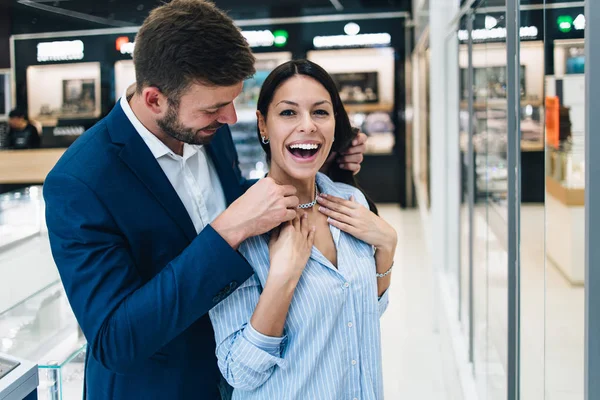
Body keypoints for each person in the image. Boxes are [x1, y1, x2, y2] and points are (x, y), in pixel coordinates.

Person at [42, 1, 367, 399]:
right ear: (155, 99)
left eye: (232, 101)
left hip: (242, 375)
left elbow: (222, 201)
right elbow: (115, 341)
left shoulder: (207, 129)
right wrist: (228, 230)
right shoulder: (80, 181)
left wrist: (327, 162)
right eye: (215, 107)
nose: (231, 117)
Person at [209, 59, 398, 399]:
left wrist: (387, 247)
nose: (308, 125)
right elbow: (238, 371)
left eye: (321, 112)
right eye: (288, 113)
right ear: (263, 126)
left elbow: (367, 311)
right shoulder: (240, 232)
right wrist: (282, 278)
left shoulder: (349, 201)